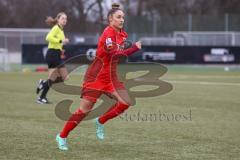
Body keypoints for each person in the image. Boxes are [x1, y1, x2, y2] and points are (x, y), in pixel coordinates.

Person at [56, 3, 142, 151]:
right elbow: (114, 54)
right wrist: (134, 48)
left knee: (125, 102)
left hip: (110, 77)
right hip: (95, 77)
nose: (122, 20)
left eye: (123, 17)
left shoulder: (122, 34)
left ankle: (100, 121)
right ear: (110, 19)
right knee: (84, 111)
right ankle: (62, 136)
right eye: (118, 17)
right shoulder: (108, 34)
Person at [36, 12, 69, 104]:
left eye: (66, 19)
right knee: (60, 77)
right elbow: (48, 37)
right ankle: (42, 91)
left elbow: (58, 43)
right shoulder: (56, 28)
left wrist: (61, 48)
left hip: (56, 54)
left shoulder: (61, 30)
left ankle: (42, 94)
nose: (64, 20)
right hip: (52, 54)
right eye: (62, 18)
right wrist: (61, 41)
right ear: (58, 20)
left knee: (60, 77)